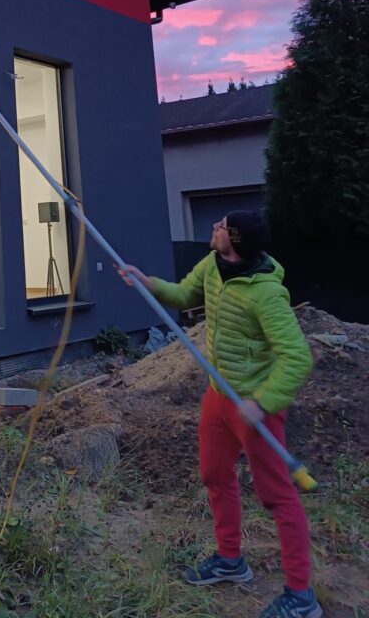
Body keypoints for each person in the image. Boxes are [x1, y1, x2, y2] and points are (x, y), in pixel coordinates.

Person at [119, 210, 321, 618]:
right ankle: (230, 560)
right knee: (214, 474)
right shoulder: (212, 264)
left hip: (256, 408)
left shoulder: (266, 294)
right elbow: (183, 294)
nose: (213, 228)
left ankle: (301, 596)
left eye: (222, 226)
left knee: (277, 496)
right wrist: (148, 283)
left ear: (236, 240)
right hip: (219, 396)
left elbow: (297, 356)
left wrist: (262, 402)